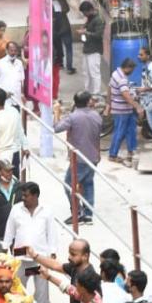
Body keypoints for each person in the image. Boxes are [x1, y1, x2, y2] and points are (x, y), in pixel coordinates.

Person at [3, 182, 57, 303]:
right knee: (18, 288)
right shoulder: (16, 209)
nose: (23, 198)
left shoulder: (47, 211)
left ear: (35, 196)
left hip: (39, 258)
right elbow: (10, 230)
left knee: (41, 290)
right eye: (23, 195)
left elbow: (51, 233)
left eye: (26, 195)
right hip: (20, 257)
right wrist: (5, 249)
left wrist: (52, 253)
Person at [53, 91, 102, 225]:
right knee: (88, 183)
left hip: (79, 158)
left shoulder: (73, 117)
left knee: (69, 184)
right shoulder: (96, 115)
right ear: (88, 102)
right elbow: (97, 136)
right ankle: (87, 214)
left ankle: (78, 213)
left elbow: (56, 128)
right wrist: (98, 153)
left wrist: (56, 112)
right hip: (93, 156)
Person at [107, 57, 144, 165]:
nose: (132, 72)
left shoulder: (115, 73)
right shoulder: (122, 79)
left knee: (131, 130)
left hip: (124, 110)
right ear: (128, 68)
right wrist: (138, 106)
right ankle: (112, 155)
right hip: (122, 110)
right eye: (132, 70)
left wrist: (108, 104)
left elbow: (109, 88)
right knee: (119, 132)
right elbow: (126, 96)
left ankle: (131, 151)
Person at [136, 46, 152, 151]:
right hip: (146, 97)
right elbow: (146, 82)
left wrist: (142, 90)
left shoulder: (151, 67)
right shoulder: (145, 66)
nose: (139, 56)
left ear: (147, 55)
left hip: (150, 99)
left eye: (141, 55)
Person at [77, 1, 104, 95]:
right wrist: (84, 28)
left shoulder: (99, 20)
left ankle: (96, 92)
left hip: (94, 50)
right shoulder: (90, 18)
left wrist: (85, 32)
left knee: (94, 72)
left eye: (85, 12)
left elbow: (98, 35)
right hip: (87, 48)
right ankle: (87, 90)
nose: (84, 15)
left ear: (90, 10)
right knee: (86, 72)